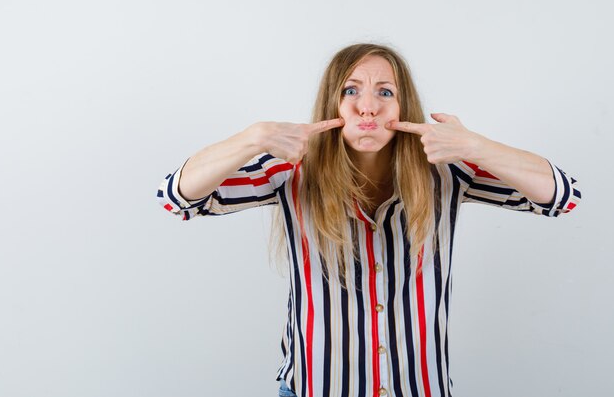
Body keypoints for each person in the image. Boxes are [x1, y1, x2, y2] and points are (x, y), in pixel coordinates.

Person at [156, 43, 581, 397]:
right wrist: (252, 138)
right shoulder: (290, 172)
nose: (367, 108)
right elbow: (177, 197)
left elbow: (562, 196)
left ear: (403, 104)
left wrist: (475, 145)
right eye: (351, 90)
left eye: (385, 93)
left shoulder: (447, 172)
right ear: (332, 103)